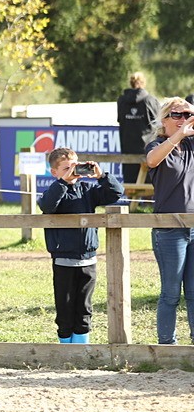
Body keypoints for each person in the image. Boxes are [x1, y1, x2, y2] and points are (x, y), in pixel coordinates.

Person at [37, 147, 125, 344]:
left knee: (85, 308)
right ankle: (66, 348)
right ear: (54, 172)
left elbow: (116, 193)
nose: (72, 171)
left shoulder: (88, 190)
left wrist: (101, 176)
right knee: (64, 307)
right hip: (63, 260)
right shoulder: (53, 191)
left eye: (75, 166)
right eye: (66, 168)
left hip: (88, 259)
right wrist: (63, 182)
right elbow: (47, 206)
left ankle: (81, 348)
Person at [144, 97, 194, 344]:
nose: (183, 119)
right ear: (164, 119)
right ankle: (167, 346)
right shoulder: (157, 144)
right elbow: (152, 161)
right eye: (177, 114)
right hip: (169, 230)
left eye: (188, 114)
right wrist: (178, 136)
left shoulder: (192, 145)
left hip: (193, 227)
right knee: (171, 293)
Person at [117, 71, 159, 155]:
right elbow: (159, 121)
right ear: (144, 83)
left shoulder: (121, 100)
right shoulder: (150, 100)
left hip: (127, 148)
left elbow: (120, 119)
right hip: (147, 149)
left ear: (131, 83)